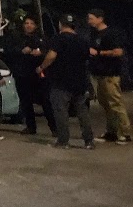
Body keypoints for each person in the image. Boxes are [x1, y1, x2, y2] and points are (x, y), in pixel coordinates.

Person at [39, 13, 95, 149]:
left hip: (61, 82)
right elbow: (88, 56)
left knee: (61, 112)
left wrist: (41, 67)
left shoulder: (58, 39)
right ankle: (89, 141)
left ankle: (63, 141)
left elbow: (51, 56)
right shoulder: (82, 40)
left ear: (60, 24)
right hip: (80, 81)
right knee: (82, 112)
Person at [4, 14, 57, 137]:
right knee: (26, 101)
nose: (29, 26)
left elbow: (49, 52)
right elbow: (9, 52)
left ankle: (54, 128)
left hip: (38, 74)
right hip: (22, 74)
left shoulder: (41, 38)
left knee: (45, 101)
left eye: (32, 23)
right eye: (27, 23)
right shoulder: (17, 38)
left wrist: (40, 53)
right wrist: (21, 51)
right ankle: (30, 126)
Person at [86, 10, 132, 144]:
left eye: (91, 18)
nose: (89, 21)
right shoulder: (94, 34)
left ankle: (125, 133)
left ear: (100, 19)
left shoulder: (112, 33)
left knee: (115, 103)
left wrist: (99, 52)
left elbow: (118, 52)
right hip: (99, 74)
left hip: (111, 74)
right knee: (106, 104)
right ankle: (111, 131)